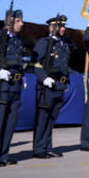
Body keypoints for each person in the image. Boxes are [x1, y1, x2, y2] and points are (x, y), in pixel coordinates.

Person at [0, 9, 27, 166]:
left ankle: (4, 153)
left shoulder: (17, 40)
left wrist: (22, 76)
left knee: (10, 122)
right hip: (1, 85)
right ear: (8, 22)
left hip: (14, 85)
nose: (21, 24)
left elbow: (18, 61)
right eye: (18, 21)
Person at [32, 14, 73, 158]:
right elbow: (36, 63)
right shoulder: (44, 43)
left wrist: (66, 81)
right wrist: (44, 78)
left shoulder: (63, 44)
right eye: (60, 26)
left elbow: (64, 65)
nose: (63, 28)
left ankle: (47, 147)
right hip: (47, 86)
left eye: (64, 26)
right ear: (51, 27)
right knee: (43, 118)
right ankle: (39, 149)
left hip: (59, 86)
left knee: (51, 119)